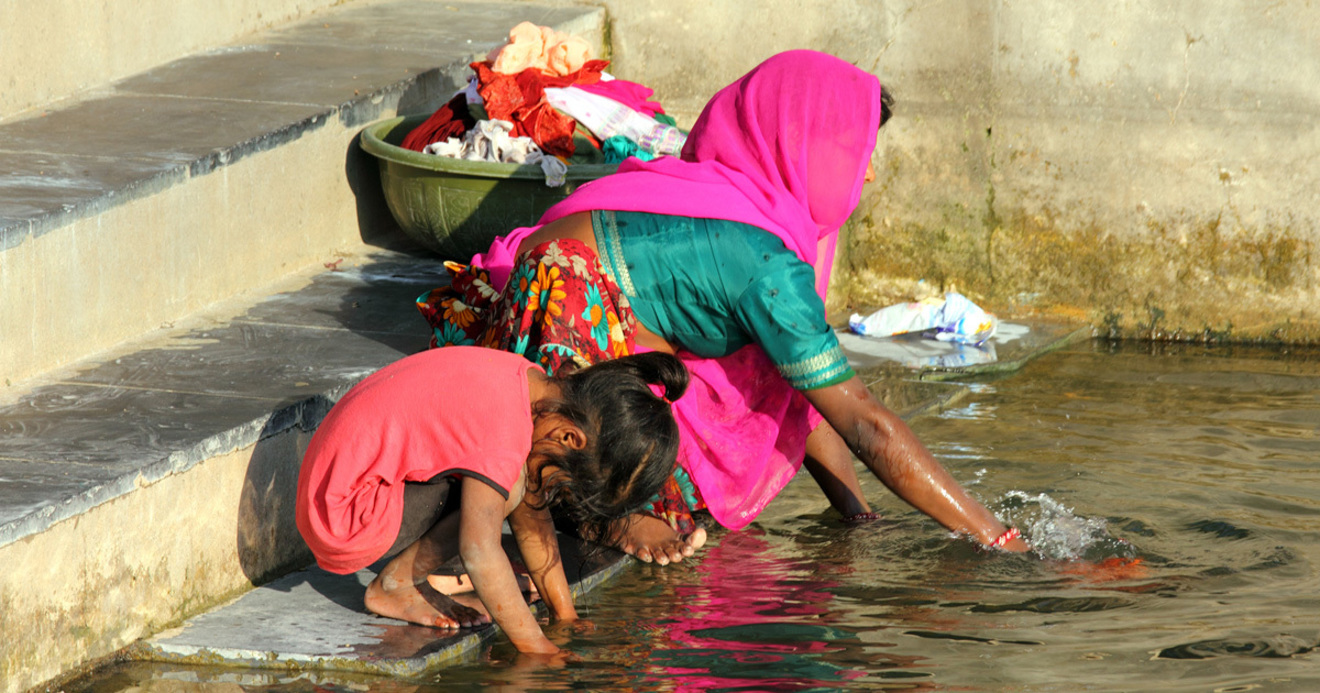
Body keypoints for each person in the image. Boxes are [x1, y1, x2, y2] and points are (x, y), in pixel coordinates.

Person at [419, 50, 1029, 565]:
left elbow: (802, 394)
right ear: (807, 149)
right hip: (557, 340)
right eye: (859, 158)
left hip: (563, 325)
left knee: (769, 374)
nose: (865, 180)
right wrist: (994, 537)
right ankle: (602, 520)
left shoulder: (726, 190)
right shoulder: (764, 261)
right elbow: (863, 422)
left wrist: (858, 518)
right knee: (653, 476)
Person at [295, 346, 689, 654]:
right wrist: (537, 649)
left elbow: (532, 517)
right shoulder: (507, 434)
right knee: (511, 487)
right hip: (346, 516)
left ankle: (410, 578)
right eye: (566, 478)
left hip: (337, 490)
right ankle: (396, 585)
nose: (557, 488)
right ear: (570, 439)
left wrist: (564, 616)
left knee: (518, 486)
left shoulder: (527, 381)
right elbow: (479, 549)